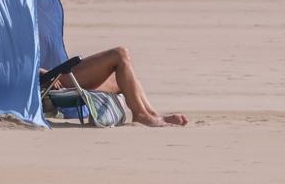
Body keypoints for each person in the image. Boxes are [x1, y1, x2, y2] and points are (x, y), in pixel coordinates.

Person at [47, 47, 188, 127]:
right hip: (48, 80)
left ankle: (152, 114)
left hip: (55, 74)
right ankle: (141, 115)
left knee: (125, 75)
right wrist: (42, 73)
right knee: (120, 54)